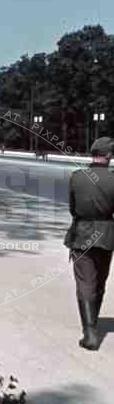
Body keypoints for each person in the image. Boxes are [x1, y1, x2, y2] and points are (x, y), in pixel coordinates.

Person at [64, 137, 114, 350]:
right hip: (107, 236)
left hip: (82, 235)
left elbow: (73, 209)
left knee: (85, 283)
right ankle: (93, 324)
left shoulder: (77, 177)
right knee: (100, 283)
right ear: (109, 156)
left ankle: (90, 333)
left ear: (92, 154)